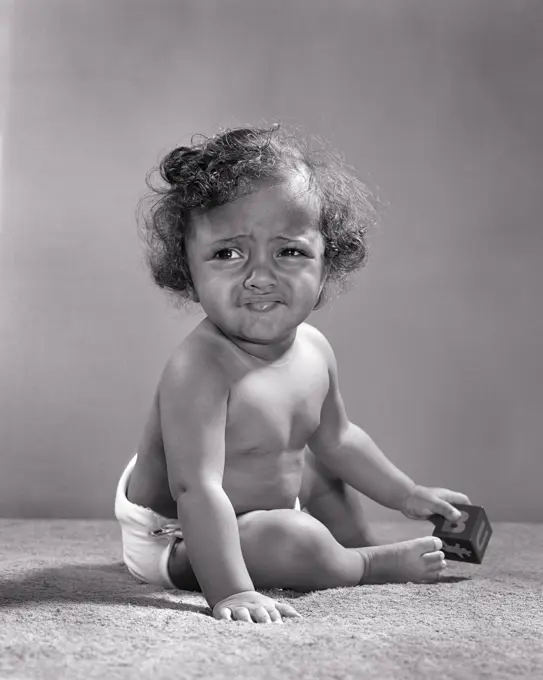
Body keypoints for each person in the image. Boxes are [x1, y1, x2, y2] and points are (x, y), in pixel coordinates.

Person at [114, 122, 470, 624]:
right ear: (187, 272)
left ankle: (353, 541)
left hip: (259, 504)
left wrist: (409, 494)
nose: (260, 276)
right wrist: (232, 593)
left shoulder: (314, 349)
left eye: (290, 251)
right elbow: (196, 490)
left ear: (329, 263)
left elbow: (340, 438)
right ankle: (361, 564)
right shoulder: (199, 368)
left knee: (323, 464)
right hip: (176, 535)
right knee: (290, 536)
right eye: (227, 254)